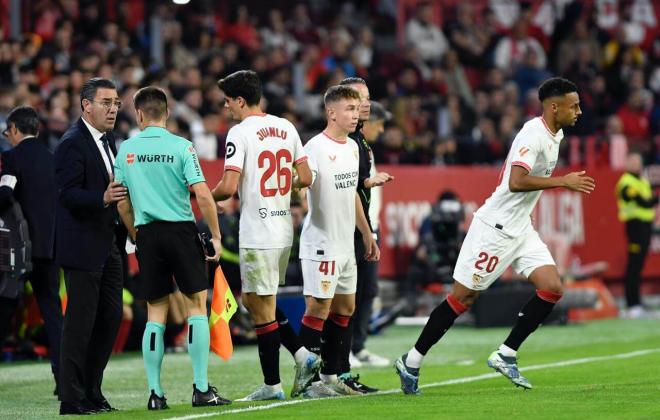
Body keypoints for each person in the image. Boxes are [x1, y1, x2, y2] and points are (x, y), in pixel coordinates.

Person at [395, 77, 595, 394]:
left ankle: (506, 354)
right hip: (495, 229)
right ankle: (412, 361)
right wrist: (562, 182)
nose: (579, 112)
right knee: (463, 298)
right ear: (554, 107)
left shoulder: (555, 135)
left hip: (520, 228)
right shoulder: (533, 134)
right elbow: (516, 181)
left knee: (553, 287)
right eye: (575, 106)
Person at [114, 86, 229, 410]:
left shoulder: (126, 150)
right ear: (166, 113)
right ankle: (201, 389)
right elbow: (203, 195)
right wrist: (216, 237)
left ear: (138, 114)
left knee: (156, 313)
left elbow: (122, 204)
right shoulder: (182, 146)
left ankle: (155, 393)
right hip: (180, 231)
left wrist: (136, 234)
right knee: (195, 306)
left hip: (148, 234)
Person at [212, 70, 319, 401]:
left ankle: (274, 384)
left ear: (241, 101)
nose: (226, 107)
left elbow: (229, 188)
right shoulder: (286, 127)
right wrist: (281, 189)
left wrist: (201, 193)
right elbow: (306, 176)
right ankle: (302, 357)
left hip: (258, 230)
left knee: (260, 307)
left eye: (228, 101)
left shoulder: (239, 132)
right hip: (283, 228)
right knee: (257, 301)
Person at [297, 85, 379, 398]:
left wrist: (366, 232)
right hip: (322, 242)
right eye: (349, 109)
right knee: (318, 308)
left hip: (347, 243)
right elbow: (304, 187)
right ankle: (307, 382)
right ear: (331, 112)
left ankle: (332, 376)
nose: (355, 115)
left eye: (357, 110)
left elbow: (353, 195)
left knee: (346, 307)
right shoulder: (315, 147)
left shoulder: (353, 147)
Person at [55, 77, 127, 415]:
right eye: (105, 102)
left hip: (108, 243)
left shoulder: (109, 140)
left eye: (116, 103)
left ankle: (93, 391)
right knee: (80, 323)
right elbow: (65, 194)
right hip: (82, 245)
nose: (113, 109)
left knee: (110, 318)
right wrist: (101, 197)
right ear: (86, 105)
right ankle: (72, 398)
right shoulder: (72, 143)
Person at [0, 106, 62, 395]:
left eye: (7, 132)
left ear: (14, 129)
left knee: (4, 308)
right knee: (52, 313)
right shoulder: (53, 160)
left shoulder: (11, 158)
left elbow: (5, 194)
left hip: (18, 250)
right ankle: (64, 379)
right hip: (50, 248)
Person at [615, 152, 656, 318]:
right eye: (633, 161)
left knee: (639, 266)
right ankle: (632, 303)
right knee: (633, 265)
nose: (636, 164)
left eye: (638, 162)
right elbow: (644, 202)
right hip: (635, 226)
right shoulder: (626, 182)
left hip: (645, 226)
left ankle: (637, 301)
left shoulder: (642, 180)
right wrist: (653, 201)